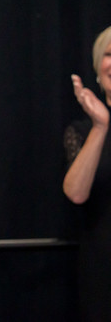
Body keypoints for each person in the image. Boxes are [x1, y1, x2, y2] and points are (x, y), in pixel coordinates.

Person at [62, 25, 111, 321]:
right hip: (104, 273)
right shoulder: (82, 130)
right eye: (108, 54)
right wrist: (101, 126)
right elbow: (76, 193)